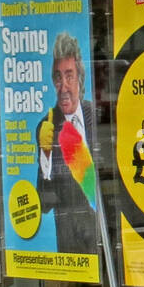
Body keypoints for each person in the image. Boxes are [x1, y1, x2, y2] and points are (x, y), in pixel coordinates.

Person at [34, 33, 97, 255]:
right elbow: (44, 203)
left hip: (105, 239)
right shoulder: (47, 127)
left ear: (80, 77)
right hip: (72, 250)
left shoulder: (97, 116)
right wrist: (46, 155)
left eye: (69, 76)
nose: (63, 87)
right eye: (58, 78)